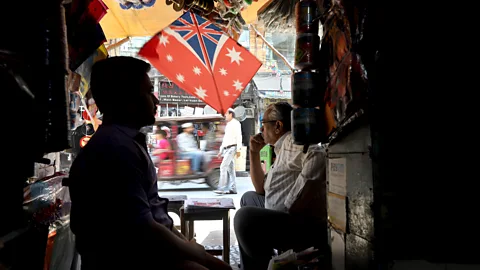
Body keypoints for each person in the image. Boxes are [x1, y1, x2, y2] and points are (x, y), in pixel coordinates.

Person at [68, 57, 231, 270]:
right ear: (127, 100)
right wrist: (205, 259)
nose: (156, 102)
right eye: (148, 92)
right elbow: (145, 228)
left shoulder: (124, 142)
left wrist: (191, 248)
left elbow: (154, 215)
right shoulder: (116, 150)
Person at [234, 102, 328, 270]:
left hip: (299, 225)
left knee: (244, 218)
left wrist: (290, 205)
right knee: (248, 198)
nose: (261, 130)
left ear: (277, 126)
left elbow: (317, 156)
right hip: (281, 215)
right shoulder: (279, 149)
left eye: (264, 124)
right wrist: (254, 153)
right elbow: (260, 190)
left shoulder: (290, 141)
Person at [214, 108, 242, 194]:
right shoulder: (229, 124)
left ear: (231, 114)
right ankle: (233, 189)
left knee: (223, 167)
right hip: (227, 149)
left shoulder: (236, 123)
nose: (225, 115)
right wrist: (221, 150)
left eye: (226, 114)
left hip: (232, 148)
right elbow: (225, 139)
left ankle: (221, 188)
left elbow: (239, 136)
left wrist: (238, 149)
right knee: (231, 170)